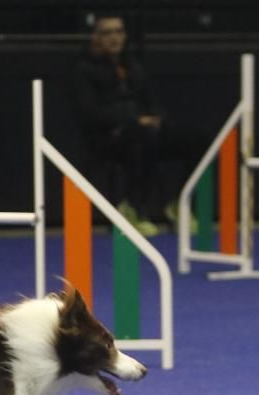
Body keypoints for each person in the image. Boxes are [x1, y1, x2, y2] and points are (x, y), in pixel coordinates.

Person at [69, 13, 208, 236]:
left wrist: (157, 119)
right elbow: (90, 113)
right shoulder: (82, 70)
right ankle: (132, 209)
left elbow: (152, 102)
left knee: (199, 140)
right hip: (108, 138)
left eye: (119, 32)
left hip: (144, 132)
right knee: (142, 138)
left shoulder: (134, 66)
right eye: (107, 33)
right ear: (95, 37)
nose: (114, 38)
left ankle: (180, 203)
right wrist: (133, 120)